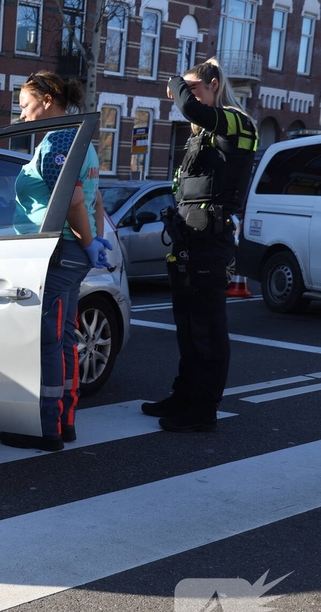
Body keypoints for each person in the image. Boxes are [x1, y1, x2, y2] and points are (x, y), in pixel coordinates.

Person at [141, 58, 258, 433]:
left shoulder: (237, 121)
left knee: (207, 328)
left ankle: (203, 410)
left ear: (214, 84)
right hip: (188, 239)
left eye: (193, 87)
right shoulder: (200, 136)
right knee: (187, 326)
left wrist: (175, 80)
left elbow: (191, 108)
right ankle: (184, 395)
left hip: (211, 240)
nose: (184, 95)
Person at [0, 71, 109, 453]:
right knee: (64, 339)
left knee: (48, 341)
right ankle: (65, 420)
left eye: (25, 105)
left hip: (58, 253)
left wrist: (88, 242)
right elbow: (94, 199)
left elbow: (74, 201)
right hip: (72, 252)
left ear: (47, 100)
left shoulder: (59, 138)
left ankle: (46, 428)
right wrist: (94, 242)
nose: (22, 114)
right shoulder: (81, 137)